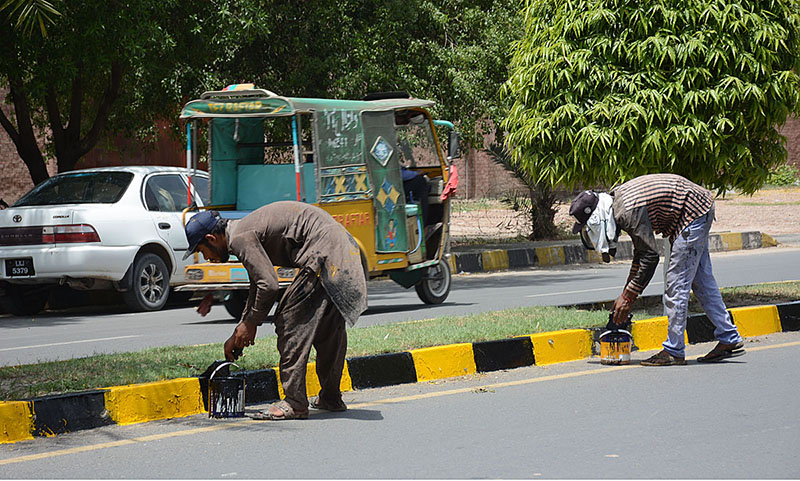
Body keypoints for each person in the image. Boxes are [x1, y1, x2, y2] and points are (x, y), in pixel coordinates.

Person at [184, 202, 368, 419]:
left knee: (289, 320)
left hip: (323, 253)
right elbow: (257, 283)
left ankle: (294, 402)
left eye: (201, 250)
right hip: (340, 250)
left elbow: (268, 285)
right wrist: (242, 328)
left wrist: (250, 323)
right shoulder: (243, 231)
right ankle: (330, 397)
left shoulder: (240, 237)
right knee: (327, 329)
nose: (206, 258)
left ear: (211, 239)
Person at [570, 173, 745, 366]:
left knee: (676, 284)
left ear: (596, 218)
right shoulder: (618, 203)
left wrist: (628, 297)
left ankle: (674, 350)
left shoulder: (626, 212)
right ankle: (729, 337)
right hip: (698, 208)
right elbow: (641, 254)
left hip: (692, 213)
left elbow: (650, 257)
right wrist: (626, 293)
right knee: (701, 281)